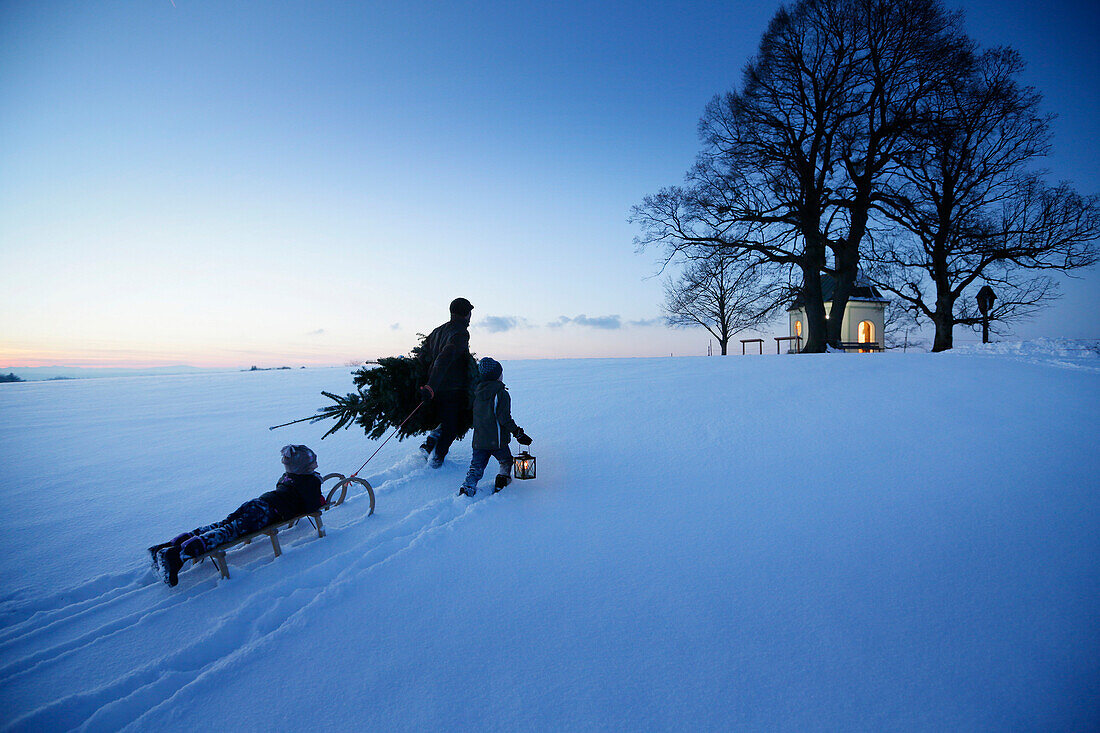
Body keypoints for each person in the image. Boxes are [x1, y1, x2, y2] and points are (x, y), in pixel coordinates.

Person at [148, 445, 325, 587]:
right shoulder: (310, 482)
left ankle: (167, 546)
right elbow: (312, 506)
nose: (316, 466)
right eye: (312, 465)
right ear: (303, 468)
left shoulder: (286, 476)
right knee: (229, 532)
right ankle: (177, 555)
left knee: (222, 524)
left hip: (258, 502)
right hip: (267, 513)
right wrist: (319, 493)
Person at [458, 357, 532, 497]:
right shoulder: (501, 394)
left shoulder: (477, 392)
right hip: (497, 442)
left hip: (479, 441)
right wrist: (518, 433)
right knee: (506, 461)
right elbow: (504, 418)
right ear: (497, 375)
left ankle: (467, 487)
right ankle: (502, 480)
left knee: (476, 467)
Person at [417, 297, 474, 468]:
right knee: (451, 427)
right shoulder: (460, 333)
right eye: (470, 312)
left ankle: (428, 446)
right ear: (466, 314)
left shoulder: (437, 331)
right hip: (450, 388)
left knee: (446, 420)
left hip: (436, 387)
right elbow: (443, 359)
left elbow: (422, 357)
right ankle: (436, 461)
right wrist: (431, 386)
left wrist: (428, 383)